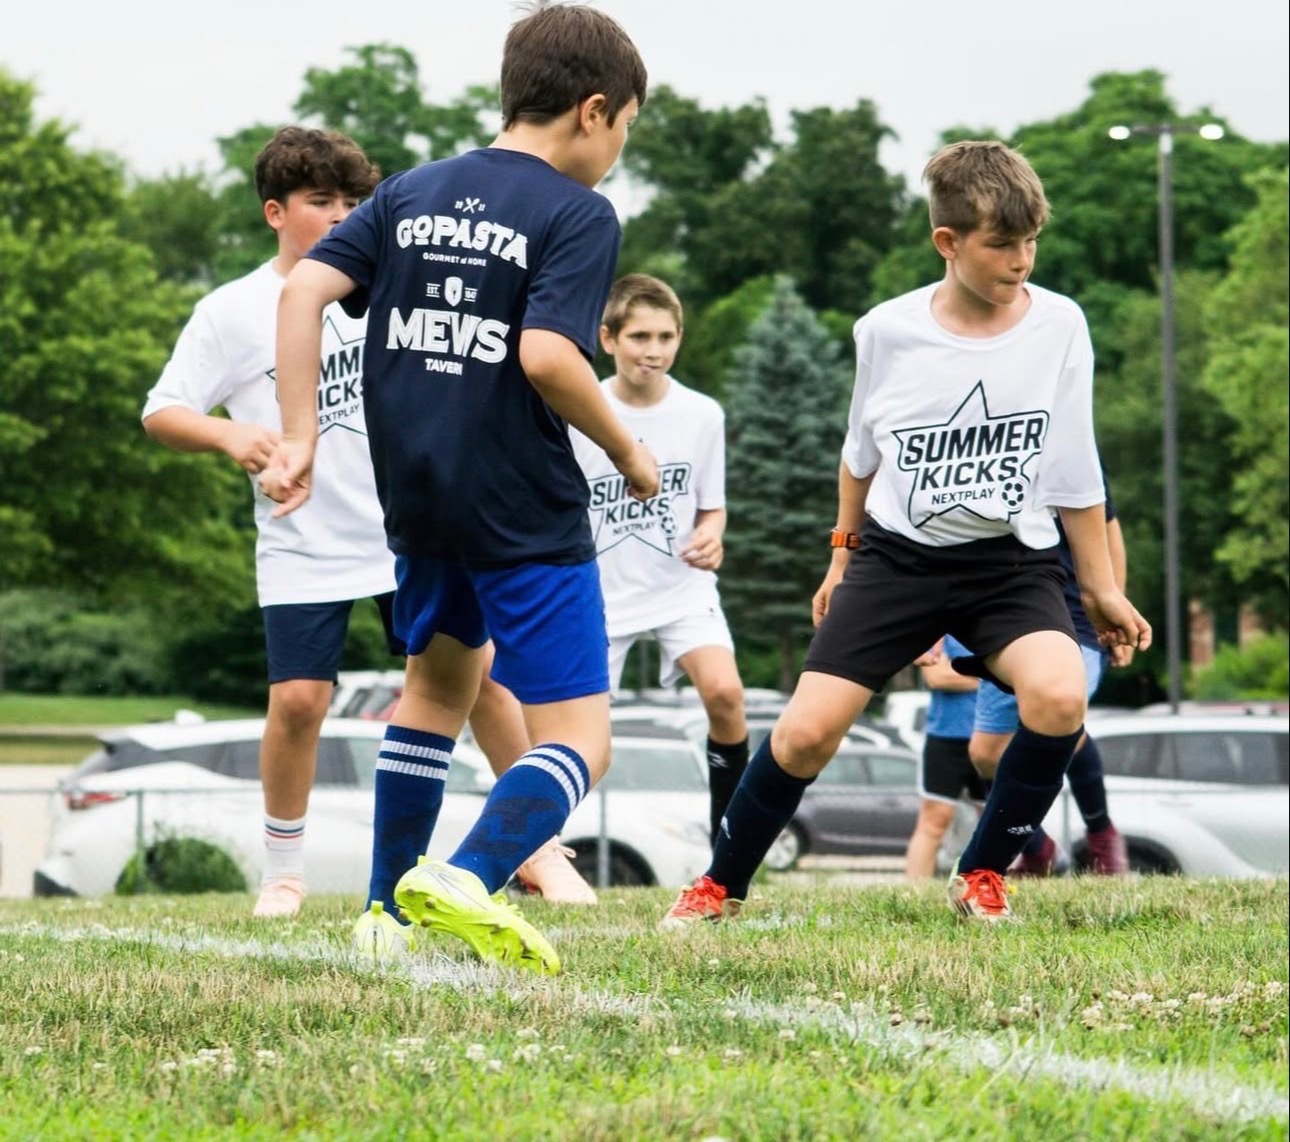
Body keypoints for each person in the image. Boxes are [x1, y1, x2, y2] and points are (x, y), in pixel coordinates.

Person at [658, 139, 1150, 929]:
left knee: (1060, 697)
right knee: (805, 734)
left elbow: (1073, 471)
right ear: (947, 243)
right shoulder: (885, 331)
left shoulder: (1061, 324)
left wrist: (1102, 590)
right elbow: (860, 455)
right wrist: (841, 557)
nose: (1022, 259)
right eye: (1001, 243)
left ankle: (982, 872)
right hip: (897, 562)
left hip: (1010, 566)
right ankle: (719, 884)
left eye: (1031, 241)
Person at [260, 3, 654, 973]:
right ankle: (469, 874)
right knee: (581, 740)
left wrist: (302, 434)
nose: (618, 152)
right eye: (628, 132)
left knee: (435, 689)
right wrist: (629, 449)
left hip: (418, 493)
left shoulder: (408, 192)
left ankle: (387, 911)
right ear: (595, 111)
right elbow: (552, 354)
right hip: (520, 499)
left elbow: (303, 289)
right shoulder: (575, 212)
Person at [142, 125, 592, 924]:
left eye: (354, 200)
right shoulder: (234, 310)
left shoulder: (396, 273)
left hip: (409, 525)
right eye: (323, 202)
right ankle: (284, 872)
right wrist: (234, 434)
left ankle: (537, 853)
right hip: (305, 538)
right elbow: (162, 410)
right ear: (276, 212)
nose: (344, 214)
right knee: (302, 702)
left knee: (479, 684)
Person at [570, 273, 749, 845]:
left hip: (680, 588)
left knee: (725, 693)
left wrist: (713, 537)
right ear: (608, 338)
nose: (654, 350)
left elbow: (712, 509)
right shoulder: (578, 408)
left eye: (666, 336)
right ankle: (539, 851)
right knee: (584, 744)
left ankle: (730, 845)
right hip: (600, 596)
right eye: (640, 336)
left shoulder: (703, 414)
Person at [968, 468, 1132, 876]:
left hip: (1079, 618)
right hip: (1010, 615)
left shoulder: (1073, 446)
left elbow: (1109, 532)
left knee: (1059, 714)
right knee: (984, 753)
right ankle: (1038, 848)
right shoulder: (988, 444)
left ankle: (1102, 837)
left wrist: (1113, 604)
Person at [903, 636, 986, 879]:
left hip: (994, 736)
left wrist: (961, 673)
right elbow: (937, 676)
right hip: (946, 737)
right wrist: (993, 676)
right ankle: (913, 897)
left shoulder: (1000, 621)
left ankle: (991, 890)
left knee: (996, 820)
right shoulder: (943, 631)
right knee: (933, 820)